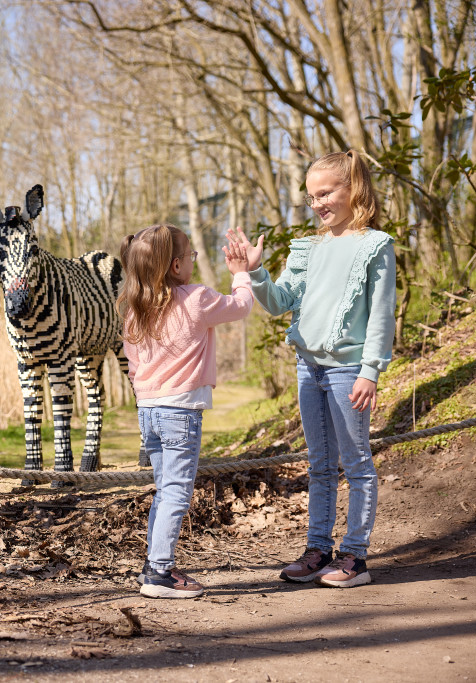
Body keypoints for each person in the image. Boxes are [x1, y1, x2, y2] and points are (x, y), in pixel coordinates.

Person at [226, 150, 396, 588]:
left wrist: (370, 371)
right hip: (309, 368)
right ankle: (318, 550)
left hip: (348, 372)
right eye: (311, 197)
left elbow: (381, 315)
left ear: (353, 188)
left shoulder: (375, 245)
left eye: (325, 193)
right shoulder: (308, 248)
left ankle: (355, 558)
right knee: (320, 466)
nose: (317, 203)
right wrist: (255, 271)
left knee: (356, 464)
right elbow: (280, 302)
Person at [120, 224, 253, 598]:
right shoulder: (196, 298)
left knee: (165, 490)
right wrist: (241, 273)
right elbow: (242, 305)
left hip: (148, 412)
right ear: (176, 265)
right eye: (191, 255)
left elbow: (133, 367)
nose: (194, 261)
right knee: (177, 493)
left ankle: (153, 565)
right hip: (179, 412)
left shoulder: (135, 309)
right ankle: (160, 572)